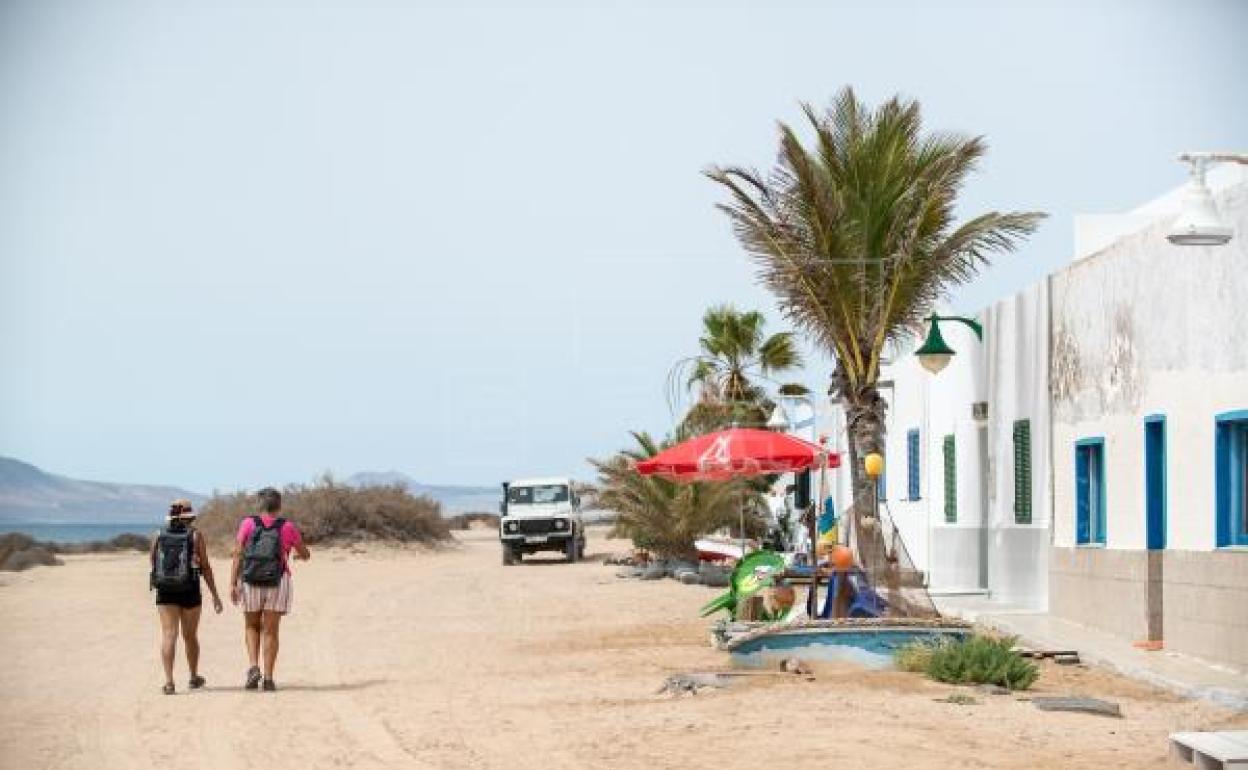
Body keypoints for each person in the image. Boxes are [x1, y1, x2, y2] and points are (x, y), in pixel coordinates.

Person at [228, 487, 309, 692]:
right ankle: (269, 678)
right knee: (271, 630)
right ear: (279, 506)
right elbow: (305, 552)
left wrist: (232, 583)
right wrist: (299, 555)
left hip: (251, 580)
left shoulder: (248, 523)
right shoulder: (287, 527)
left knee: (251, 625)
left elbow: (237, 554)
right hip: (278, 581)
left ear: (259, 505)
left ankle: (254, 666)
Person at [150, 499, 223, 695]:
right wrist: (215, 595)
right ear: (188, 517)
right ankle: (193, 677)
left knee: (168, 634)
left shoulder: (158, 535)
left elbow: (153, 563)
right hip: (190, 589)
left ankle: (169, 682)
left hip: (165, 590)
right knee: (190, 636)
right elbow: (205, 567)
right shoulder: (196, 536)